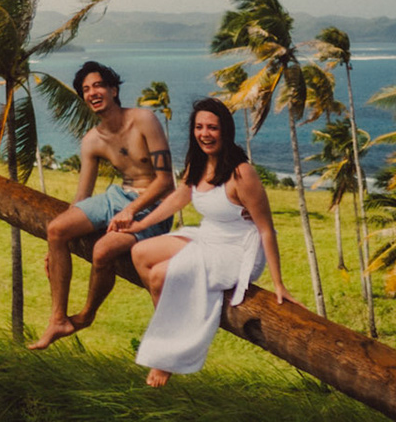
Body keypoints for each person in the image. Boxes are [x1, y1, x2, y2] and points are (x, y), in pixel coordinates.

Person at [122, 96, 294, 385]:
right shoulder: (199, 162)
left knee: (162, 274)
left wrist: (279, 284)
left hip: (238, 251)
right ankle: (173, 329)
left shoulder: (242, 173)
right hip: (208, 236)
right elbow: (180, 196)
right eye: (199, 127)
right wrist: (138, 223)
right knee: (140, 252)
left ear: (225, 131)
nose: (205, 134)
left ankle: (168, 357)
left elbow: (266, 229)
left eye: (212, 128)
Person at [26, 61, 174, 350]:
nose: (92, 92)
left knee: (103, 250)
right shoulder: (92, 140)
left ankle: (85, 316)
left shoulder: (144, 119)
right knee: (56, 229)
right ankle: (57, 318)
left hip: (154, 205)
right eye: (85, 89)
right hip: (115, 197)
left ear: (113, 89)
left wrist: (131, 210)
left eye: (97, 85)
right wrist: (53, 249)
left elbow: (166, 181)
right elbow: (82, 196)